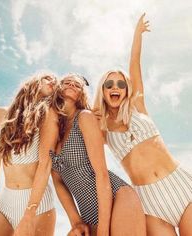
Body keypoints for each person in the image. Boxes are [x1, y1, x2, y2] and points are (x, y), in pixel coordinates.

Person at [94, 14, 192, 236]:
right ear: (103, 90)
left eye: (120, 83)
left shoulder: (138, 105)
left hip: (182, 186)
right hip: (150, 203)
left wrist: (137, 35)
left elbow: (134, 63)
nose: (115, 87)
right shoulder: (100, 126)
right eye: (109, 84)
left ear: (127, 90)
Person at [50, 73, 146, 235]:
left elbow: (101, 174)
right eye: (68, 82)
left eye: (78, 84)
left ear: (82, 94)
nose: (73, 85)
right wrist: (75, 221)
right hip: (87, 214)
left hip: (117, 199)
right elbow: (58, 180)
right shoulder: (53, 130)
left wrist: (103, 228)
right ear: (58, 89)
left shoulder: (84, 118)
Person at [0, 73, 58, 236]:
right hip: (5, 203)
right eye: (48, 78)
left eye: (56, 83)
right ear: (34, 81)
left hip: (38, 206)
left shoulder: (48, 117)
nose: (53, 82)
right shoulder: (0, 115)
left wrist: (29, 214)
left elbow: (44, 166)